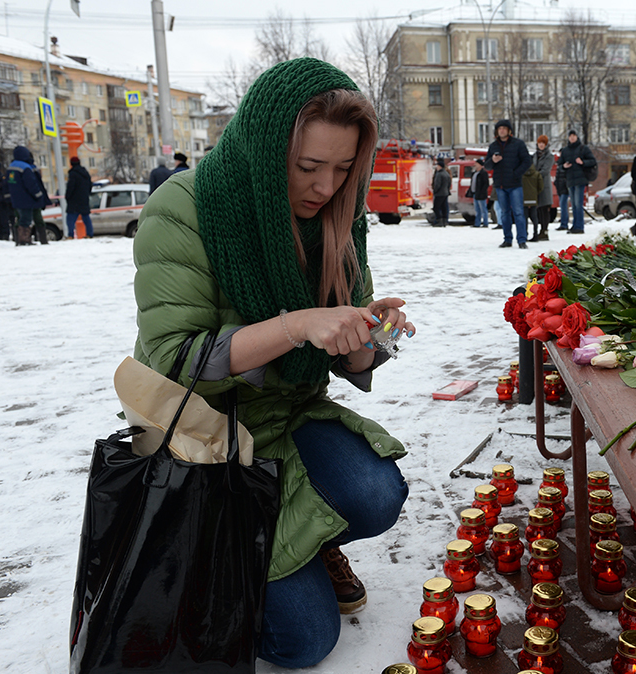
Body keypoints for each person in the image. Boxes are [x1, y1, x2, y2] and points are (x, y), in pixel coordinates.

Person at [133, 58, 412, 669]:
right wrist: (295, 325)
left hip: (286, 416)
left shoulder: (337, 218)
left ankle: (298, 543)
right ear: (266, 152)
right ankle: (217, 568)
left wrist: (371, 333)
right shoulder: (183, 210)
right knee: (303, 642)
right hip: (203, 439)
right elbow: (171, 361)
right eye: (308, 167)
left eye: (343, 169)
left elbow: (343, 353)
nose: (326, 187)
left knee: (378, 492)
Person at [484, 119, 532, 248]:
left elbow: (527, 161)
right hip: (500, 185)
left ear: (509, 131)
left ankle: (522, 240)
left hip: (515, 184)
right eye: (499, 129)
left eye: (504, 128)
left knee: (518, 212)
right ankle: (507, 239)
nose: (502, 130)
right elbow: (487, 166)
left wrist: (516, 173)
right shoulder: (493, 146)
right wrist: (493, 160)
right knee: (504, 213)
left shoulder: (518, 144)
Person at [6, 146, 50, 246]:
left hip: (16, 200)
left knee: (21, 219)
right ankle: (26, 240)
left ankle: (19, 240)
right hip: (28, 199)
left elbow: (7, 185)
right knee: (27, 219)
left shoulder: (11, 167)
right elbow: (31, 184)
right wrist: (39, 195)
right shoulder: (26, 167)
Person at [558, 129, 596, 234]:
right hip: (570, 180)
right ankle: (575, 225)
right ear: (568, 138)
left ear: (577, 137)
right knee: (573, 204)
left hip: (580, 180)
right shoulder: (565, 150)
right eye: (570, 136)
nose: (572, 138)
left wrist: (583, 162)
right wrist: (564, 166)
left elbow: (593, 161)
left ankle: (579, 226)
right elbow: (559, 165)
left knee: (578, 203)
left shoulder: (583, 149)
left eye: (574, 135)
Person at [64, 156, 94, 239]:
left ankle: (70, 235)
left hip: (74, 200)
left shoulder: (73, 173)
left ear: (71, 164)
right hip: (84, 198)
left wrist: (68, 197)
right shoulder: (85, 173)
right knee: (86, 217)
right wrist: (86, 194)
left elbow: (71, 187)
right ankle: (89, 234)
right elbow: (90, 185)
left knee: (70, 218)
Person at [532, 135, 554, 241]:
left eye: (543, 143)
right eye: (539, 143)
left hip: (544, 185)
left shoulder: (549, 156)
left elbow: (545, 170)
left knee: (544, 208)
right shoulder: (534, 155)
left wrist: (534, 175)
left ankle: (544, 230)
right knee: (538, 209)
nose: (541, 145)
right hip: (535, 185)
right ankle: (539, 230)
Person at [522, 162, 543, 242]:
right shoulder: (537, 174)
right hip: (533, 199)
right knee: (534, 218)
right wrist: (535, 194)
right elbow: (540, 187)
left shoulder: (521, 174)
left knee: (525, 218)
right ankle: (535, 234)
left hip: (523, 199)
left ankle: (525, 234)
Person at [431, 157, 451, 227]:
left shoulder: (439, 174)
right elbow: (449, 183)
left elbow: (437, 184)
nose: (436, 167)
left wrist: (435, 191)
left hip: (439, 193)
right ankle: (445, 221)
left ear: (440, 166)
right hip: (445, 193)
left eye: (437, 165)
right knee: (444, 207)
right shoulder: (446, 173)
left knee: (436, 207)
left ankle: (439, 220)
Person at [471, 158, 490, 228]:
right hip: (475, 193)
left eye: (476, 164)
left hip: (481, 194)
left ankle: (485, 223)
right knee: (477, 209)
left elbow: (486, 184)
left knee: (483, 209)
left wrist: (482, 192)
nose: (475, 165)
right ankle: (477, 223)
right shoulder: (474, 173)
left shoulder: (483, 173)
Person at [555, 161, 569, 231]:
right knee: (562, 206)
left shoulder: (565, 165)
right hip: (560, 188)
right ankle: (564, 223)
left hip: (564, 188)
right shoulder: (560, 165)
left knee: (563, 205)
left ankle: (564, 224)